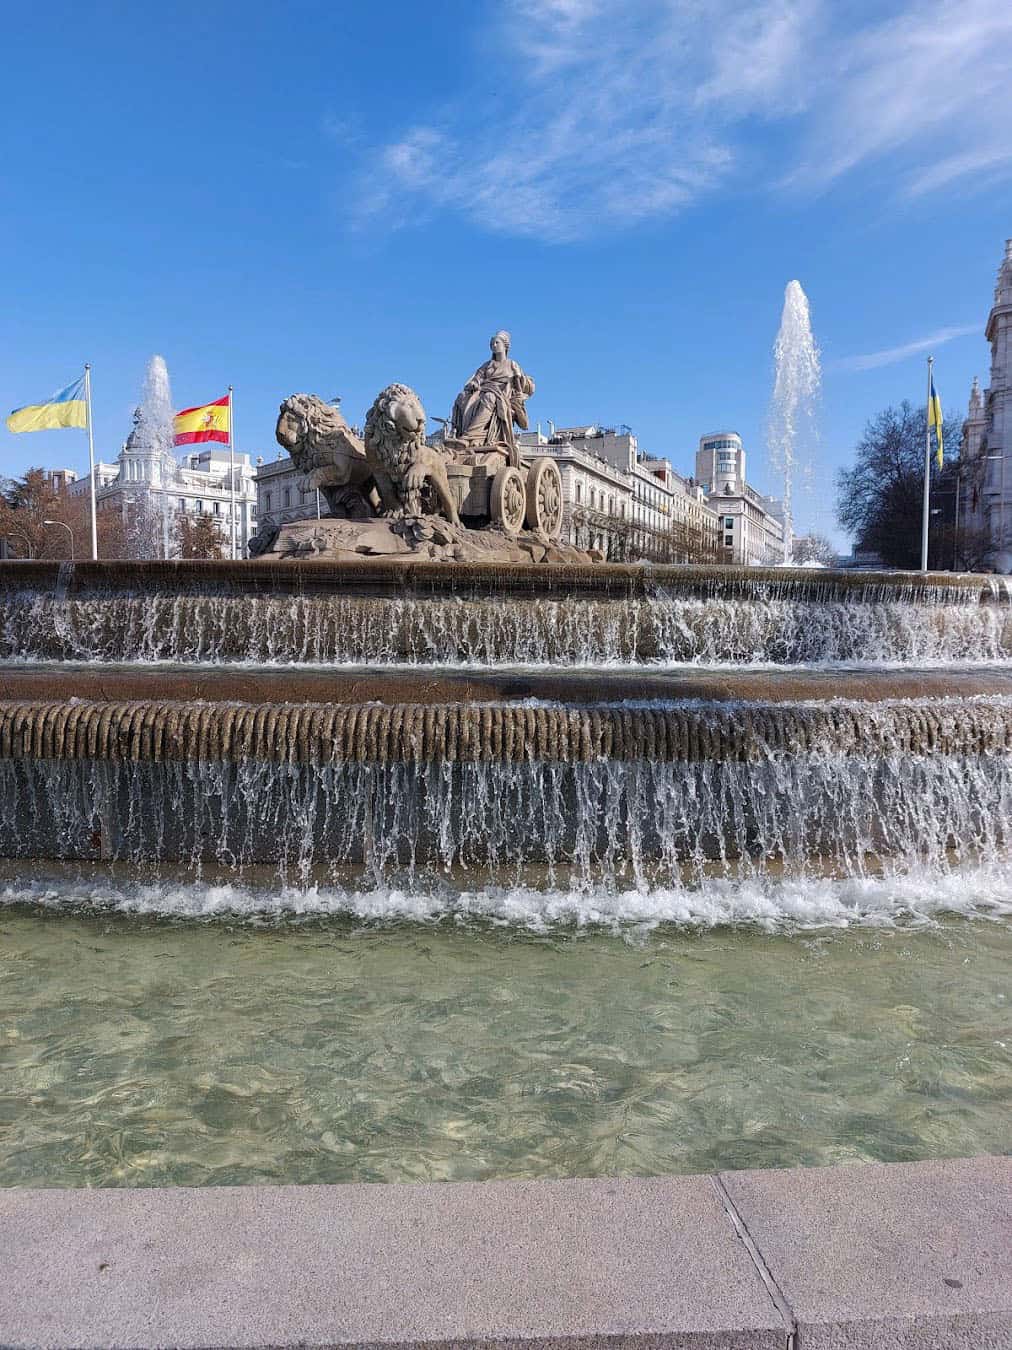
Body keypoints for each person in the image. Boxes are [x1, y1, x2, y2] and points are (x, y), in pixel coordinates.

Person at [449, 331, 534, 467]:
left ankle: (470, 435)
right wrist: (474, 383)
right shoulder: (486, 365)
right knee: (461, 398)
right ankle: (458, 433)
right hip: (483, 391)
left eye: (496, 343)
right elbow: (477, 378)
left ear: (505, 345)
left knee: (489, 397)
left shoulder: (512, 364)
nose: (493, 346)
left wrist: (519, 388)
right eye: (492, 343)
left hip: (502, 397)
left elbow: (521, 385)